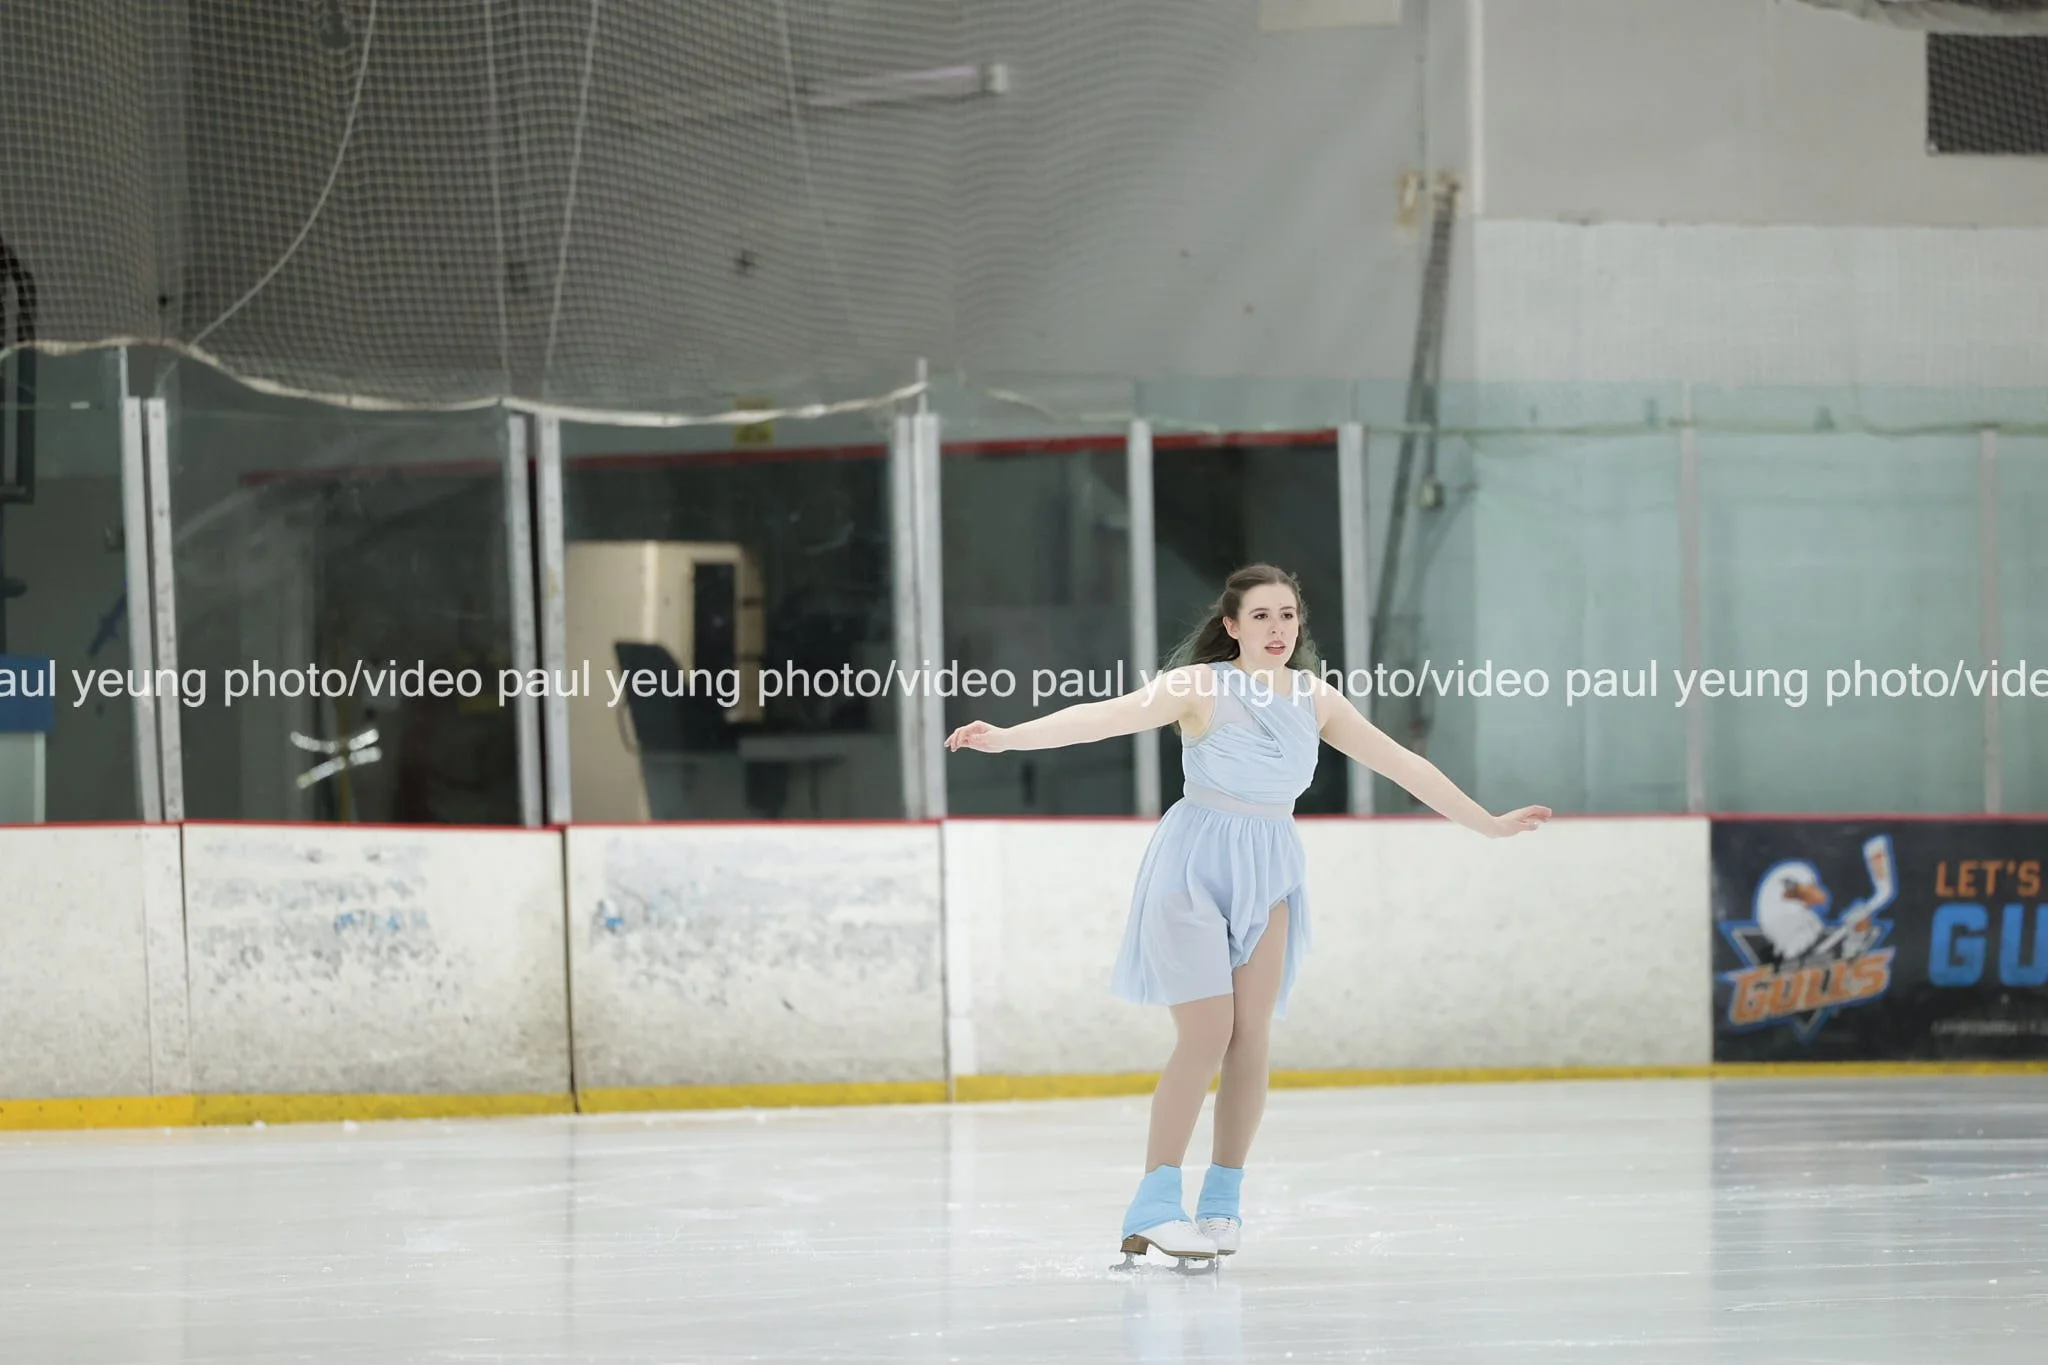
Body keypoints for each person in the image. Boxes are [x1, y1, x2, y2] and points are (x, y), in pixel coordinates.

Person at [943, 563, 1550, 1265]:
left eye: (1287, 615)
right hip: (1192, 869)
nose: (1277, 628)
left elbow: (1403, 765)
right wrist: (1007, 737)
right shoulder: (1200, 686)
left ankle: (1222, 1201)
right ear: (1231, 626)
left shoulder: (1316, 699)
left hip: (1270, 872)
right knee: (1207, 1034)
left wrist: (1488, 824)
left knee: (1251, 1037)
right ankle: (1154, 1206)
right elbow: (1102, 717)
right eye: (1260, 615)